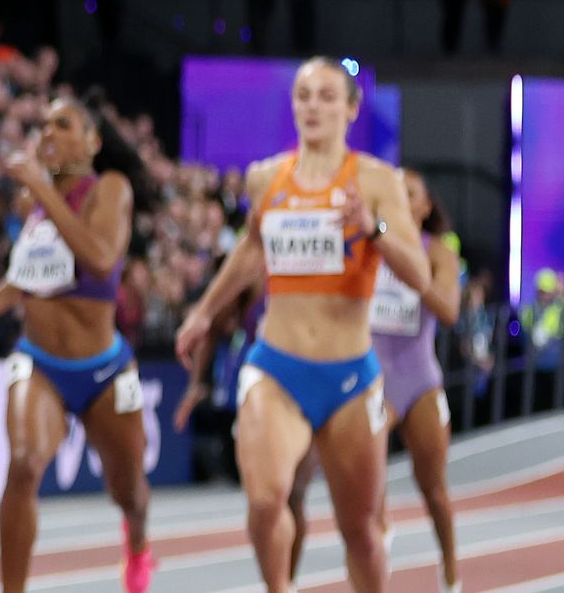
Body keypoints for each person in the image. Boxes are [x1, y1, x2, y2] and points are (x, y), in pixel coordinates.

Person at [176, 56, 432, 593]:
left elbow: (420, 276)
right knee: (266, 501)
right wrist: (203, 312)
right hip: (277, 367)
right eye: (303, 95)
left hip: (349, 378)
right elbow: (251, 249)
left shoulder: (378, 180)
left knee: (360, 530)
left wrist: (374, 227)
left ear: (350, 108)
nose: (312, 106)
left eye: (325, 96)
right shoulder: (267, 177)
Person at [0, 98, 155, 593]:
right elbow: (25, 278)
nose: (48, 133)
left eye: (63, 124)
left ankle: (138, 545)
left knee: (130, 494)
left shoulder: (109, 190)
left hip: (104, 371)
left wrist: (41, 188)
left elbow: (100, 260)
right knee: (23, 463)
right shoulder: (33, 205)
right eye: (43, 125)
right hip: (38, 361)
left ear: (92, 141)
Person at [361, 169, 462, 592]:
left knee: (433, 488)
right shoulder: (371, 244)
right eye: (395, 192)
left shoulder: (437, 251)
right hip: (374, 379)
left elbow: (449, 312)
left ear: (425, 207)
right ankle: (378, 546)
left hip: (419, 380)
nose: (401, 197)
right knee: (368, 477)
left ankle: (451, 569)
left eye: (411, 193)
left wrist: (411, 273)